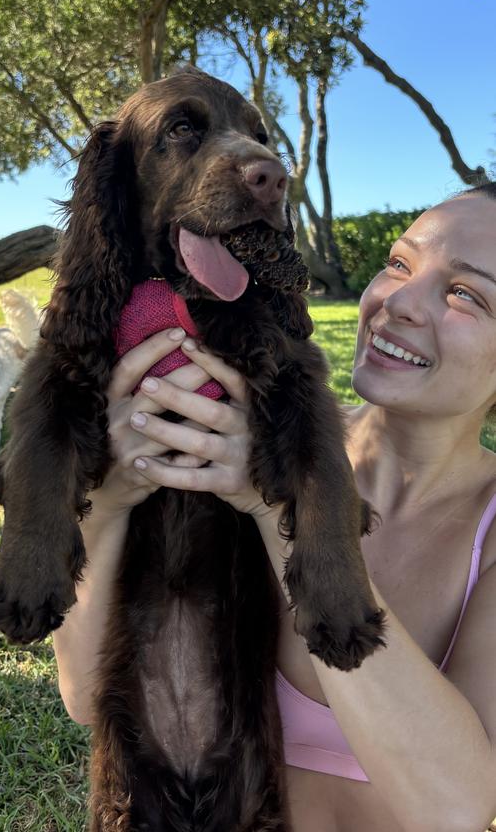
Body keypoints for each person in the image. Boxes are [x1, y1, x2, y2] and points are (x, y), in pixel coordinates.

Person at [53, 184, 496, 832]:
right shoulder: (236, 436)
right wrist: (111, 496)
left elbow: (457, 804)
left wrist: (287, 515)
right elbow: (91, 696)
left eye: (466, 294)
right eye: (399, 263)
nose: (396, 302)